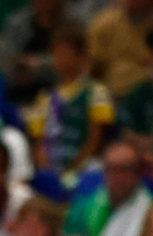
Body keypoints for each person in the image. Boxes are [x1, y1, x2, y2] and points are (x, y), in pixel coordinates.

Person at [23, 24, 115, 182]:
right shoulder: (44, 98)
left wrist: (74, 168)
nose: (60, 60)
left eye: (66, 54)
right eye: (56, 54)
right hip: (53, 168)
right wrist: (48, 171)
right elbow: (39, 143)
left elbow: (95, 139)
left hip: (84, 167)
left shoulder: (95, 92)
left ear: (81, 57)